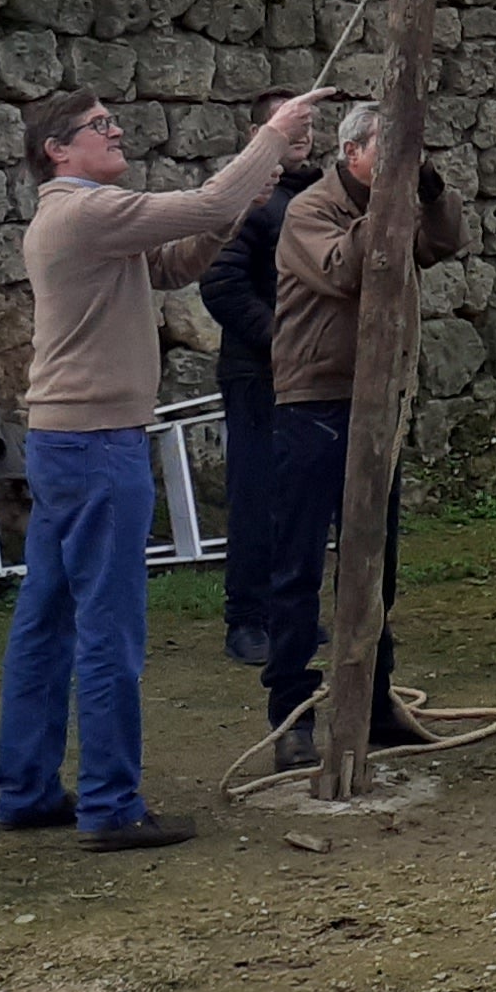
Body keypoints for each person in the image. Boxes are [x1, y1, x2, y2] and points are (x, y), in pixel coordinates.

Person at [0, 84, 329, 849]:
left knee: (46, 622)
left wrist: (244, 203)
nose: (115, 133)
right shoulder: (86, 211)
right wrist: (274, 138)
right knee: (110, 630)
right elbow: (208, 203)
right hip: (97, 443)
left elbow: (177, 262)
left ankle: (26, 788)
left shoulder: (83, 220)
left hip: (64, 440)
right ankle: (112, 805)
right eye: (98, 126)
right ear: (58, 150)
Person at [260, 97, 468, 746]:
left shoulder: (394, 201)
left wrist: (428, 193)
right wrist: (391, 202)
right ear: (351, 153)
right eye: (390, 150)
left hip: (377, 400)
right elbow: (347, 269)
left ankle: (375, 702)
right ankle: (291, 714)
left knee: (377, 559)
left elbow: (444, 242)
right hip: (314, 400)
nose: (403, 163)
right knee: (297, 564)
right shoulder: (310, 211)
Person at [196, 129, 319, 670]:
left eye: (308, 129)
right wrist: (281, 342)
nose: (303, 137)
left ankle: (289, 613)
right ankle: (246, 618)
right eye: (290, 128)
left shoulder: (313, 198)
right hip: (257, 375)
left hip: (306, 378)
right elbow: (221, 282)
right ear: (259, 137)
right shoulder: (251, 203)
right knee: (255, 495)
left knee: (299, 496)